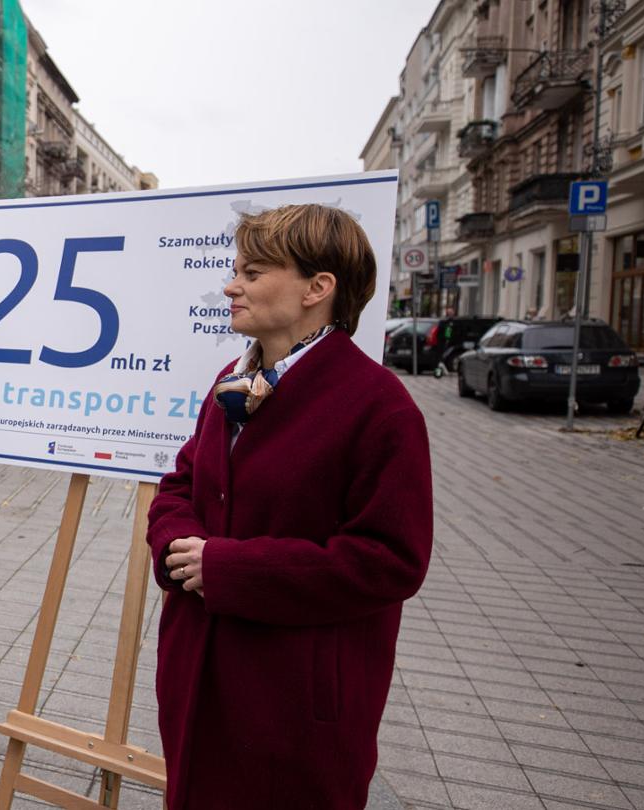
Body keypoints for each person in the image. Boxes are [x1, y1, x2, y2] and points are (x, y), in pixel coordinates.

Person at [147, 204, 433, 809]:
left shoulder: (380, 406)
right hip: (200, 677)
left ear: (317, 287)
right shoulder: (234, 376)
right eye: (236, 270)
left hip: (291, 705)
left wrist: (228, 569)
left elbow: (390, 561)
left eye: (252, 272)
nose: (231, 285)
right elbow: (182, 483)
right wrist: (176, 546)